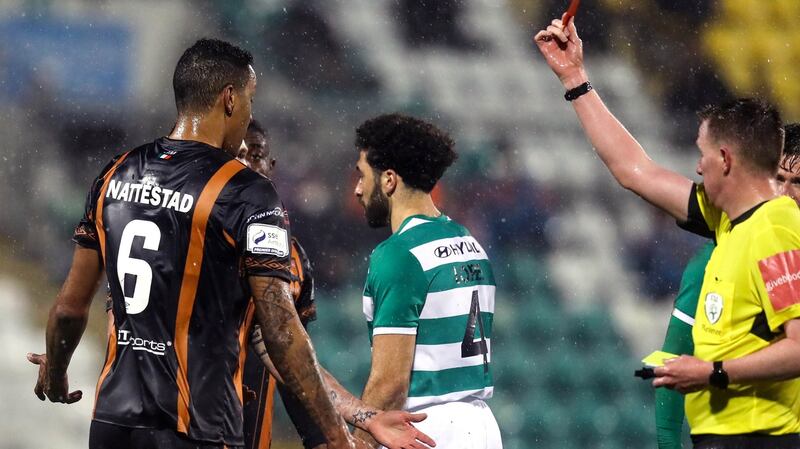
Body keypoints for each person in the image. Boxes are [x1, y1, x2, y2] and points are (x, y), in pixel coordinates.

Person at [26, 38, 430, 449]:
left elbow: (70, 307)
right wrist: (338, 439)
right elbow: (280, 333)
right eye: (251, 100)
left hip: (113, 424)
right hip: (198, 427)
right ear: (230, 99)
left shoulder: (115, 173)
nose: (250, 114)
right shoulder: (245, 192)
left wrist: (56, 370)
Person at [535, 17, 800, 449]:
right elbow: (635, 171)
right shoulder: (731, 220)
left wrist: (712, 371)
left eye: (703, 154)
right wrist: (575, 79)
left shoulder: (778, 226)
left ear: (726, 159)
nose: (697, 167)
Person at [349, 113, 502, 449]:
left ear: (389, 180)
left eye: (361, 175)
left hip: (425, 429)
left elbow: (389, 384)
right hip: (482, 426)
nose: (358, 189)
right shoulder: (469, 242)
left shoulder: (399, 254)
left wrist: (356, 445)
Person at [654, 123, 800, 449]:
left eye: (798, 183)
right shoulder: (728, 250)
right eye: (779, 180)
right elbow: (677, 356)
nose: (786, 195)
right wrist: (578, 86)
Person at [236, 120, 326, 449]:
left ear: (270, 167)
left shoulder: (295, 259)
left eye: (255, 155)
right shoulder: (188, 237)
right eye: (236, 154)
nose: (245, 163)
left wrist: (321, 439)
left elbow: (293, 369)